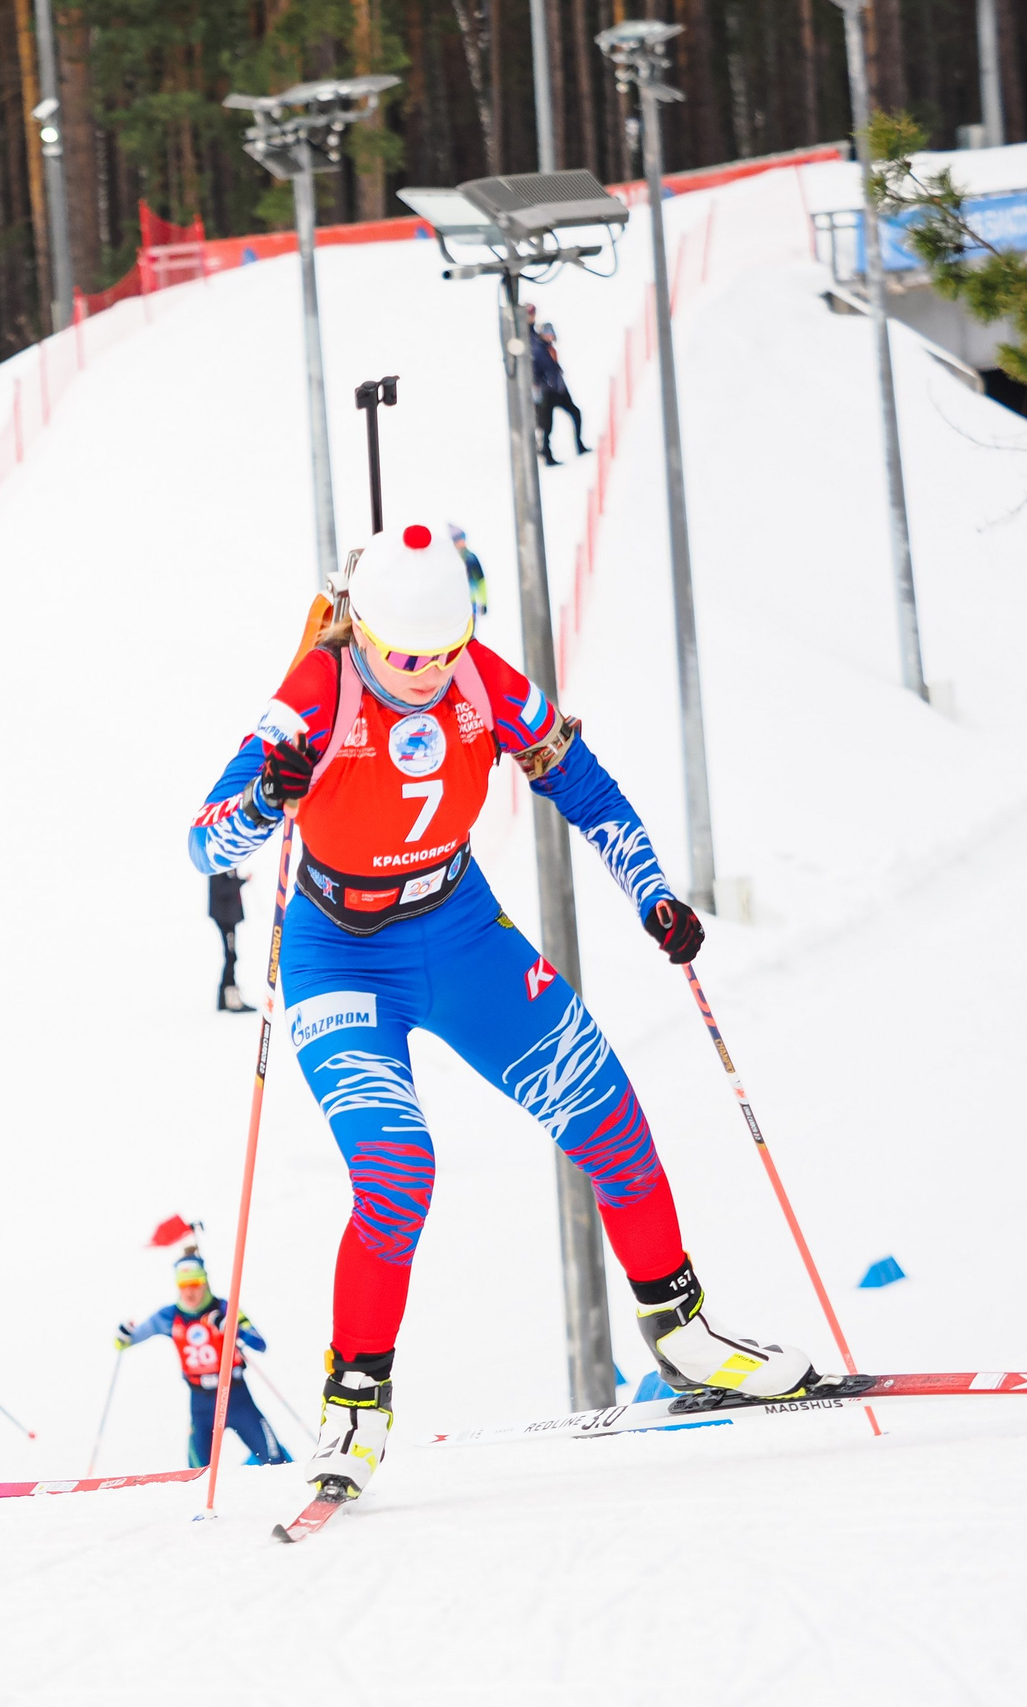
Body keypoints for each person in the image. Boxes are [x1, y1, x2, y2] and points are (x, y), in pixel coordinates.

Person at [186, 518, 812, 1505]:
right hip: (338, 954)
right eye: (406, 657)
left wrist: (650, 892)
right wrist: (269, 797)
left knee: (607, 1112)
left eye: (444, 651)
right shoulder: (317, 690)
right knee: (397, 1171)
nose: (429, 674)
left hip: (461, 931)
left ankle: (685, 1335)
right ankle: (354, 1403)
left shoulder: (480, 676)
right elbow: (204, 844)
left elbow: (588, 790)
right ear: (362, 630)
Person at [115, 1252, 291, 1469]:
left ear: (205, 1282)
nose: (190, 1291)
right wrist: (123, 1335)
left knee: (276, 1461)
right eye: (184, 1284)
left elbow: (259, 1344)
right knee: (196, 1473)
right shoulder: (169, 1316)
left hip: (237, 1398)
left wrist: (231, 1328)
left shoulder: (225, 1308)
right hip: (202, 1403)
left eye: (196, 1283)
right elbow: (125, 1342)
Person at [531, 321, 589, 465]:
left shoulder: (549, 349)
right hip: (547, 392)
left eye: (551, 333)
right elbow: (534, 374)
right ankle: (547, 455)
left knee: (575, 413)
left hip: (559, 389)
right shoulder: (537, 350)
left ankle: (579, 445)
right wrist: (545, 382)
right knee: (546, 425)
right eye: (547, 333)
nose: (550, 336)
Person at [209, 870, 249, 1011]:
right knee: (231, 957)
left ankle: (225, 999)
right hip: (225, 918)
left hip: (228, 917)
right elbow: (222, 890)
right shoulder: (218, 867)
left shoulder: (225, 866)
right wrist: (241, 881)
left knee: (231, 957)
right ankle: (229, 999)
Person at [449, 522, 488, 622]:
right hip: (453, 605)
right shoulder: (450, 559)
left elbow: (480, 581)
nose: (462, 542)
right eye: (458, 539)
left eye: (462, 538)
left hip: (470, 602)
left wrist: (483, 602)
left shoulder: (471, 558)